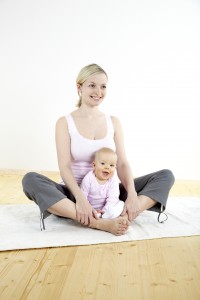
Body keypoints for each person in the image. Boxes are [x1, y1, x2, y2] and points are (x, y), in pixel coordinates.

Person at [22, 63, 175, 236]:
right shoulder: (64, 122)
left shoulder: (113, 122)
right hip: (73, 195)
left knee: (165, 176)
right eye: (92, 85)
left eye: (103, 86)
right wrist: (81, 199)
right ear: (79, 87)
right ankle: (99, 222)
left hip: (109, 195)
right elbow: (64, 166)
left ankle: (125, 214)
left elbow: (122, 163)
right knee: (30, 180)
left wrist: (132, 195)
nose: (98, 92)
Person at [80, 147, 124, 219]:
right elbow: (83, 196)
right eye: (103, 163)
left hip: (107, 208)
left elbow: (113, 198)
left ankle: (105, 216)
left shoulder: (113, 179)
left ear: (115, 167)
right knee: (80, 206)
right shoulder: (88, 178)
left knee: (121, 204)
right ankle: (95, 215)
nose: (107, 167)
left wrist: (104, 210)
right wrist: (90, 209)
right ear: (94, 165)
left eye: (111, 165)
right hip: (90, 207)